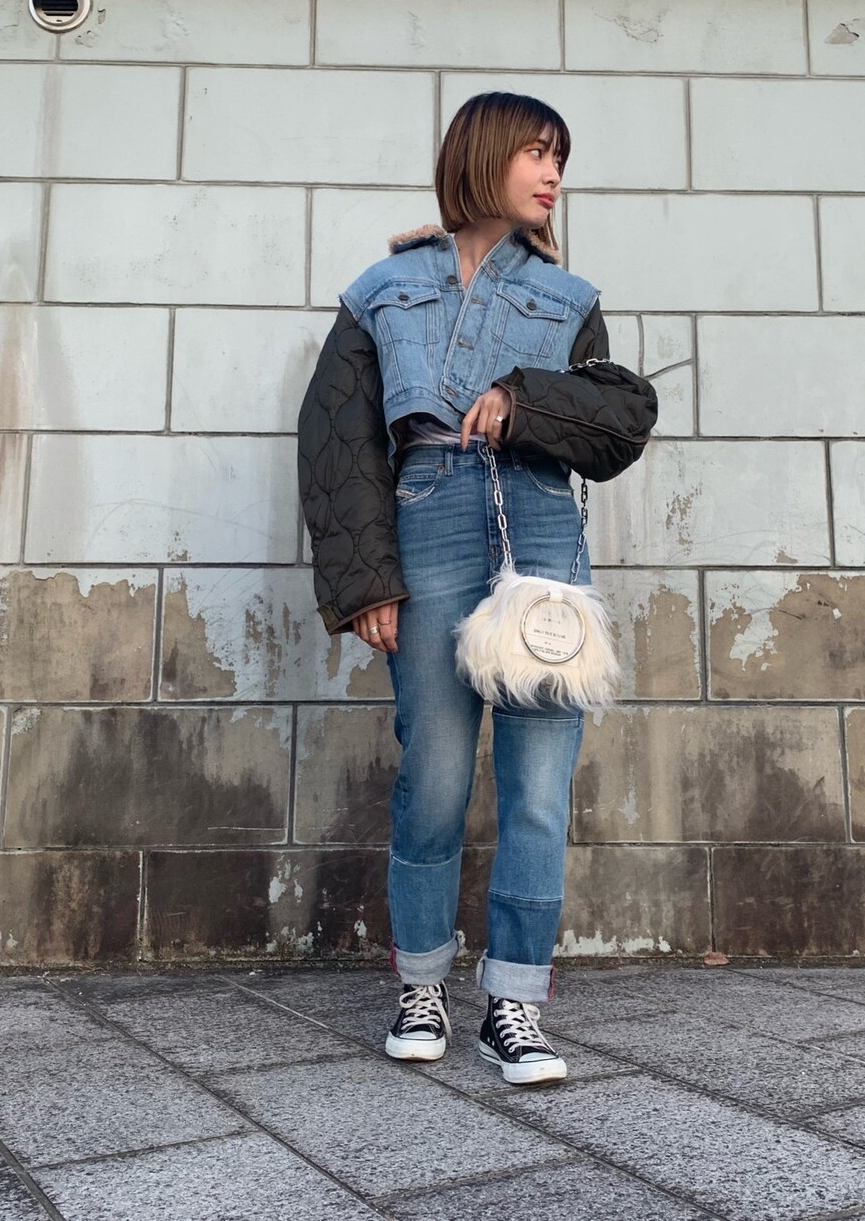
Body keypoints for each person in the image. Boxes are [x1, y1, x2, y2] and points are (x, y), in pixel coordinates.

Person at [298, 92, 656, 1085]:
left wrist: (522, 398)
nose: (552, 174)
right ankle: (421, 984)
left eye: (559, 159)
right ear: (484, 155)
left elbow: (618, 418)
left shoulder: (567, 295)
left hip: (539, 526)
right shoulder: (382, 289)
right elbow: (336, 440)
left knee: (539, 785)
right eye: (536, 153)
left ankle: (515, 1003)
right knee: (435, 774)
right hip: (425, 517)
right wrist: (366, 579)